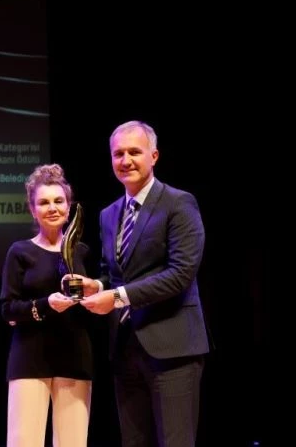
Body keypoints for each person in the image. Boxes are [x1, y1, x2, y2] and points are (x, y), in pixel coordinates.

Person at [80, 120, 209, 447]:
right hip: (125, 349)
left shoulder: (179, 203)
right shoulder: (108, 214)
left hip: (172, 349)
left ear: (154, 156)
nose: (126, 160)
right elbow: (112, 273)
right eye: (118, 154)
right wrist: (96, 286)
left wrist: (116, 297)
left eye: (134, 152)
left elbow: (181, 274)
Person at [0, 164, 94, 447]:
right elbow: (7, 308)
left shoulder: (82, 252)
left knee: (73, 442)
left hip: (75, 356)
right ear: (32, 209)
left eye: (58, 201)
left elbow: (97, 300)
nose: (52, 208)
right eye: (43, 202)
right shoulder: (20, 251)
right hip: (29, 358)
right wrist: (45, 304)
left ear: (68, 206)